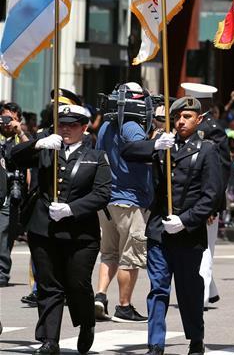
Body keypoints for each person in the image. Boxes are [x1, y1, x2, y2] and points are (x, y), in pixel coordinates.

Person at [121, 96, 222, 355]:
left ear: (198, 119)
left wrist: (186, 220)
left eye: (187, 117)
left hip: (188, 232)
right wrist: (155, 144)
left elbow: (211, 195)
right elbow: (127, 152)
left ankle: (196, 338)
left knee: (189, 289)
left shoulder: (207, 149)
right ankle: (156, 343)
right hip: (159, 229)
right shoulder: (165, 144)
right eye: (177, 117)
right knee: (158, 288)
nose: (181, 121)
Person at [11, 101, 112, 355]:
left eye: (73, 125)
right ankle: (49, 340)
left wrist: (72, 208)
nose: (66, 129)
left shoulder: (96, 157)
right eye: (62, 125)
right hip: (43, 227)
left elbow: (102, 194)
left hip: (81, 232)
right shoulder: (48, 146)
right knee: (48, 284)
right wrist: (36, 143)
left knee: (77, 283)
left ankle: (86, 322)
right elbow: (12, 159)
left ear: (84, 128)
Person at [93, 82, 153, 323]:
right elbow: (143, 151)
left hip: (107, 200)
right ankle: (124, 306)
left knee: (108, 253)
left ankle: (100, 296)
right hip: (131, 199)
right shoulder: (131, 126)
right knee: (131, 255)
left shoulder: (106, 126)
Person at [181, 82, 231, 309]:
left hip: (205, 200)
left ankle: (200, 295)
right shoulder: (190, 127)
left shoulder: (212, 129)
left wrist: (214, 204)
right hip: (191, 200)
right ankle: (210, 290)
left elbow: (221, 169)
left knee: (205, 249)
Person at [1, 101, 30, 287]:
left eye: (10, 119)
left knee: (6, 233)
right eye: (2, 118)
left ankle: (2, 272)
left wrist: (19, 131)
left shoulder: (20, 138)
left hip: (13, 195)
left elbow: (34, 150)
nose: (6, 123)